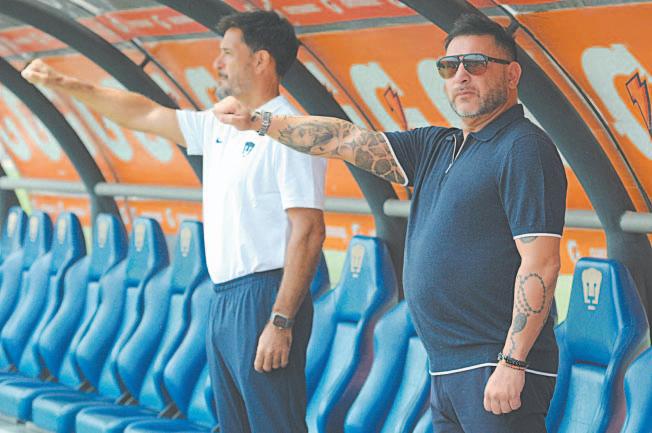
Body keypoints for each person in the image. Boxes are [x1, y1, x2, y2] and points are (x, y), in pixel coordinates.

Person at [212, 13, 567, 433]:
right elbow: (344, 139)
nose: (461, 76)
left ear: (512, 74)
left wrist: (512, 361)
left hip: (495, 365)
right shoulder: (437, 145)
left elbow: (541, 263)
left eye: (476, 64)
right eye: (449, 66)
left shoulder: (523, 147)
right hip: (447, 366)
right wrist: (260, 121)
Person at [22, 10, 326, 433]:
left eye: (226, 53)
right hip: (225, 296)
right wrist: (65, 84)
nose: (217, 63)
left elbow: (309, 231)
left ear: (261, 60)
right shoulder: (223, 124)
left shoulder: (291, 133)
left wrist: (281, 320)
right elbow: (144, 114)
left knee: (275, 424)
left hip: (265, 296)